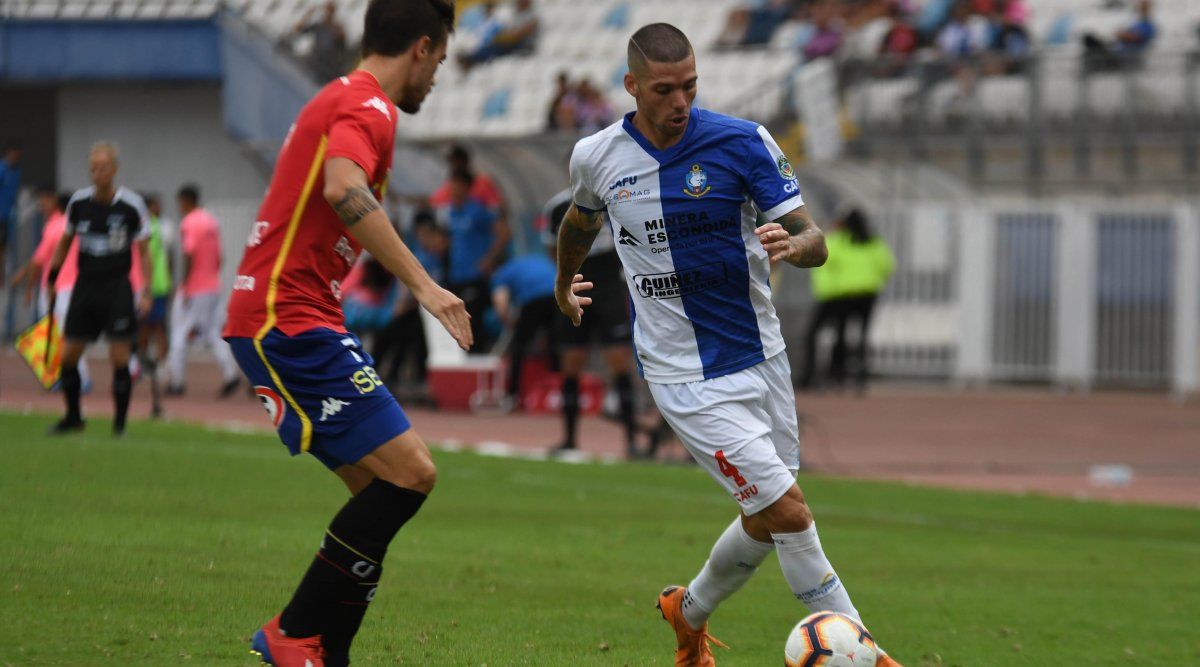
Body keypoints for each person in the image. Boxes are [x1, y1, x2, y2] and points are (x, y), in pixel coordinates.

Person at [553, 23, 902, 667]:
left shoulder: (743, 142)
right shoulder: (596, 156)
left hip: (760, 354)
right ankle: (868, 654)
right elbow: (580, 219)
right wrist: (562, 283)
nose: (680, 101)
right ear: (632, 86)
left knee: (766, 519)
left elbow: (814, 239)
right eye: (664, 89)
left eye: (689, 86)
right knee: (789, 511)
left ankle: (686, 612)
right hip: (682, 373)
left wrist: (796, 244)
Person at [222, 1, 469, 665]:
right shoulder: (370, 106)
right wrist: (424, 285)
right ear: (421, 47)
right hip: (288, 317)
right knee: (412, 473)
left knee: (380, 494)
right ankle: (292, 632)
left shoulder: (342, 96)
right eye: (440, 61)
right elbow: (342, 188)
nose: (435, 79)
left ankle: (326, 653)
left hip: (288, 315)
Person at [45, 142, 153, 436]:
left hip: (117, 287)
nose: (98, 173)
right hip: (85, 287)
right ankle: (73, 418)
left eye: (103, 168)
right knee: (69, 356)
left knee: (119, 357)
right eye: (93, 168)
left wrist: (146, 291)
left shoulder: (131, 205)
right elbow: (65, 242)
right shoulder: (79, 203)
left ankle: (119, 425)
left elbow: (144, 252)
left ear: (114, 170)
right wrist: (52, 279)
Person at [541, 185, 639, 458]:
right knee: (571, 363)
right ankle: (569, 439)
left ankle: (632, 442)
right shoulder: (558, 206)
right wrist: (565, 278)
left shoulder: (614, 200)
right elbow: (551, 245)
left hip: (609, 289)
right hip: (576, 287)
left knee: (620, 362)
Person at [798, 208, 895, 392]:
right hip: (868, 293)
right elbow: (887, 265)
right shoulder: (874, 242)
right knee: (862, 335)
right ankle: (860, 374)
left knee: (839, 333)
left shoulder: (838, 240)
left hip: (840, 294)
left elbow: (824, 260)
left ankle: (836, 373)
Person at [165, 185, 240, 398]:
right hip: (213, 286)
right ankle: (231, 374)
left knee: (179, 333)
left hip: (195, 288)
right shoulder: (211, 221)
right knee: (214, 333)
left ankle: (176, 381)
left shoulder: (189, 222)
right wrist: (211, 276)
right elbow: (220, 256)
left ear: (185, 201)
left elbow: (189, 254)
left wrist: (186, 284)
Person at [436, 169, 509, 351]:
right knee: (455, 320)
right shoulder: (451, 213)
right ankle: (462, 358)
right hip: (456, 276)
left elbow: (504, 233)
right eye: (451, 185)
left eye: (457, 185)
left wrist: (488, 260)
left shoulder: (477, 210)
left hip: (474, 275)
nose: (453, 189)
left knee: (473, 319)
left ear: (466, 187)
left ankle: (476, 356)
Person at [490, 250, 558, 404]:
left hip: (533, 299)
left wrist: (511, 324)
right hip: (556, 294)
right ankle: (556, 391)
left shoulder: (502, 273)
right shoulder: (533, 260)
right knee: (555, 342)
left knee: (519, 345)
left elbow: (501, 306)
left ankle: (513, 394)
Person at [137, 193, 175, 417]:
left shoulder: (150, 227)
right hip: (155, 284)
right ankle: (147, 365)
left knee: (154, 327)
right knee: (149, 327)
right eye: (155, 205)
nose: (158, 208)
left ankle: (154, 366)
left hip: (152, 285)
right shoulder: (154, 226)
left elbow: (153, 257)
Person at [1083, 0, 1156, 72]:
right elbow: (1124, 34)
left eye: (1142, 8)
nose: (1140, 9)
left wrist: (1122, 35)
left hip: (1125, 55)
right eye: (1140, 7)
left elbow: (1136, 37)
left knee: (1089, 40)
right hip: (1116, 48)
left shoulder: (1148, 26)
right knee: (1089, 39)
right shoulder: (1136, 23)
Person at [289, 0, 349, 82]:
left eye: (330, 11)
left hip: (326, 66)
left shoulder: (336, 29)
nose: (327, 14)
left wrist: (341, 35)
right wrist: (307, 16)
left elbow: (342, 48)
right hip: (313, 60)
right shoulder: (319, 25)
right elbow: (298, 30)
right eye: (326, 10)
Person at [0, 141, 22, 281]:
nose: (15, 158)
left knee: (5, 247)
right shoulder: (1, 169)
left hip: (9, 216)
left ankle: (3, 278)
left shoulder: (17, 171)